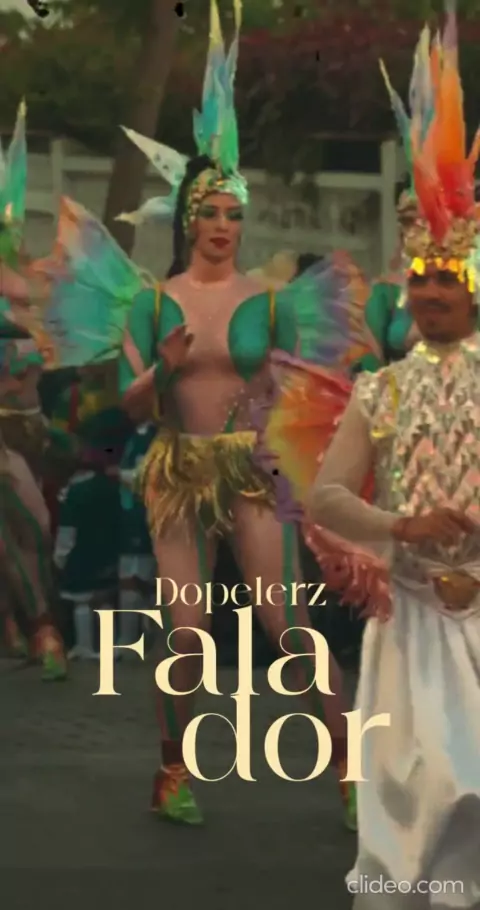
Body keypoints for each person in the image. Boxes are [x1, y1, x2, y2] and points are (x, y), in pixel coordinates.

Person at [113, 0, 357, 828]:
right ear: (188, 217)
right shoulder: (153, 302)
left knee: (286, 621)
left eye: (235, 214)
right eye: (212, 212)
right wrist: (164, 367)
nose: (224, 226)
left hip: (250, 469)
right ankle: (171, 772)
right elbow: (131, 402)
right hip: (179, 468)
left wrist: (279, 430)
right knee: (187, 629)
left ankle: (352, 773)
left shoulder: (272, 300)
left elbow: (298, 391)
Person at [304, 6, 480, 905]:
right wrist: (402, 525)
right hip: (409, 617)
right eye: (419, 279)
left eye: (446, 278)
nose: (429, 293)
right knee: (420, 795)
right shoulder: (379, 388)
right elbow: (326, 497)